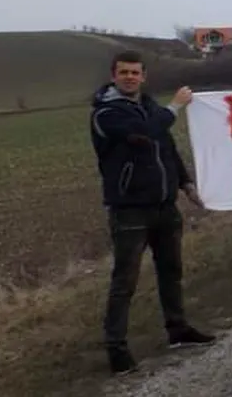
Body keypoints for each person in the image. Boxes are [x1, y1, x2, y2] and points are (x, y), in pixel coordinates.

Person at [90, 50, 214, 375]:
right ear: (113, 75)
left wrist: (186, 184)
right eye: (123, 72)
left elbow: (166, 147)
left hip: (164, 206)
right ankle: (116, 349)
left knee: (171, 271)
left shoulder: (150, 108)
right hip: (129, 210)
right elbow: (145, 132)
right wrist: (175, 106)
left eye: (135, 72)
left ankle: (178, 329)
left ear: (144, 76)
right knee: (125, 281)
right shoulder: (106, 113)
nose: (130, 77)